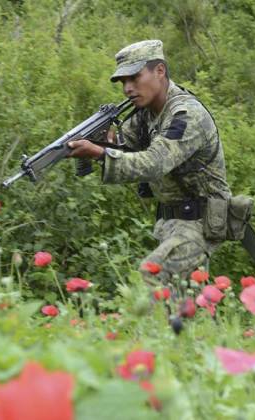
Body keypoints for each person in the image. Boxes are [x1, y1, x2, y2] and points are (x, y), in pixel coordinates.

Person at [68, 39, 232, 285]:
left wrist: (98, 153)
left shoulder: (186, 115)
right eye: (124, 82)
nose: (127, 88)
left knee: (152, 276)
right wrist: (103, 141)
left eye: (134, 78)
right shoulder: (145, 114)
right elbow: (124, 145)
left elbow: (155, 163)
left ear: (160, 71)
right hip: (172, 221)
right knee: (185, 300)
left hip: (201, 219)